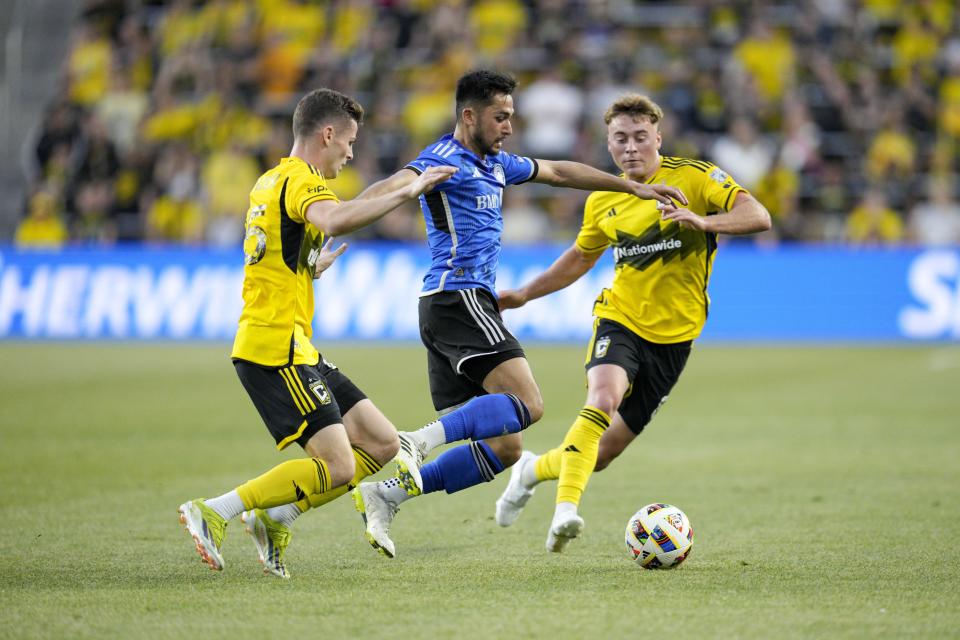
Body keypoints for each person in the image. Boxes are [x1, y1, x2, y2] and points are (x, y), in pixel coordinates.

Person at [349, 70, 686, 558]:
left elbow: (560, 172)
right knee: (530, 404)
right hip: (456, 297)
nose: (509, 126)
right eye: (500, 117)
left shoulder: (497, 163)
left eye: (511, 116)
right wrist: (330, 224)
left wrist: (628, 188)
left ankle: (387, 494)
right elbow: (389, 185)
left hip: (456, 306)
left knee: (505, 448)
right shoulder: (443, 159)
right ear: (469, 116)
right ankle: (418, 440)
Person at [176, 88, 455, 578]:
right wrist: (405, 192)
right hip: (275, 347)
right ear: (327, 134)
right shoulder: (303, 182)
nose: (350, 152)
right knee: (341, 466)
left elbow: (277, 252)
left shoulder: (271, 180)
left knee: (383, 443)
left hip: (297, 343)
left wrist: (310, 264)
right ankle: (216, 509)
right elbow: (334, 216)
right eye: (348, 141)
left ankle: (277, 516)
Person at [494, 93, 771, 552]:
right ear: (608, 144)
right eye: (620, 139)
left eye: (640, 137)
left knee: (599, 455)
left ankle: (530, 470)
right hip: (619, 319)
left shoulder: (695, 178)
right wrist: (524, 294)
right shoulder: (605, 196)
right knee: (602, 399)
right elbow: (582, 256)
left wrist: (703, 222)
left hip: (675, 339)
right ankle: (566, 511)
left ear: (657, 138)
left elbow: (758, 215)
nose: (630, 148)